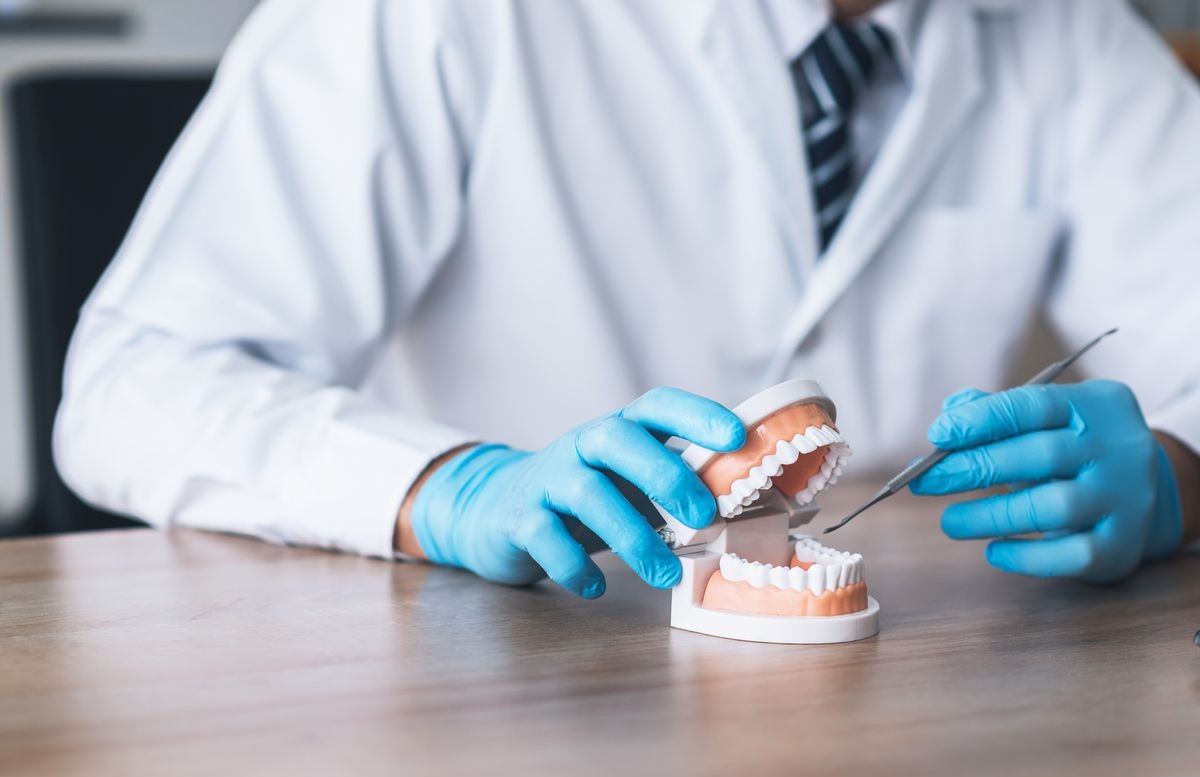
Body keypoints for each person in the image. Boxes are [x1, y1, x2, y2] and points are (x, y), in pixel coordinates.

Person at [55, 0, 1199, 597]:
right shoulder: (436, 12)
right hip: (499, 669)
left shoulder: (1071, 31)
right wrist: (446, 486)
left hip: (898, 673)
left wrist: (1176, 472)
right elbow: (131, 384)